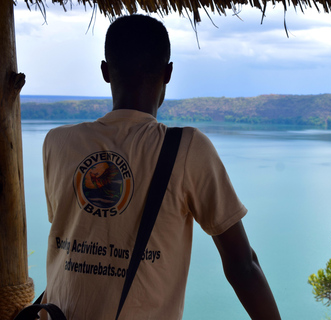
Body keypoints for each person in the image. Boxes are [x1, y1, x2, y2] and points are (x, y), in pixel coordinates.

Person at [40, 14, 281, 320]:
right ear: (168, 73)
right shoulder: (189, 149)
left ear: (105, 71)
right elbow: (242, 265)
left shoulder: (58, 143)